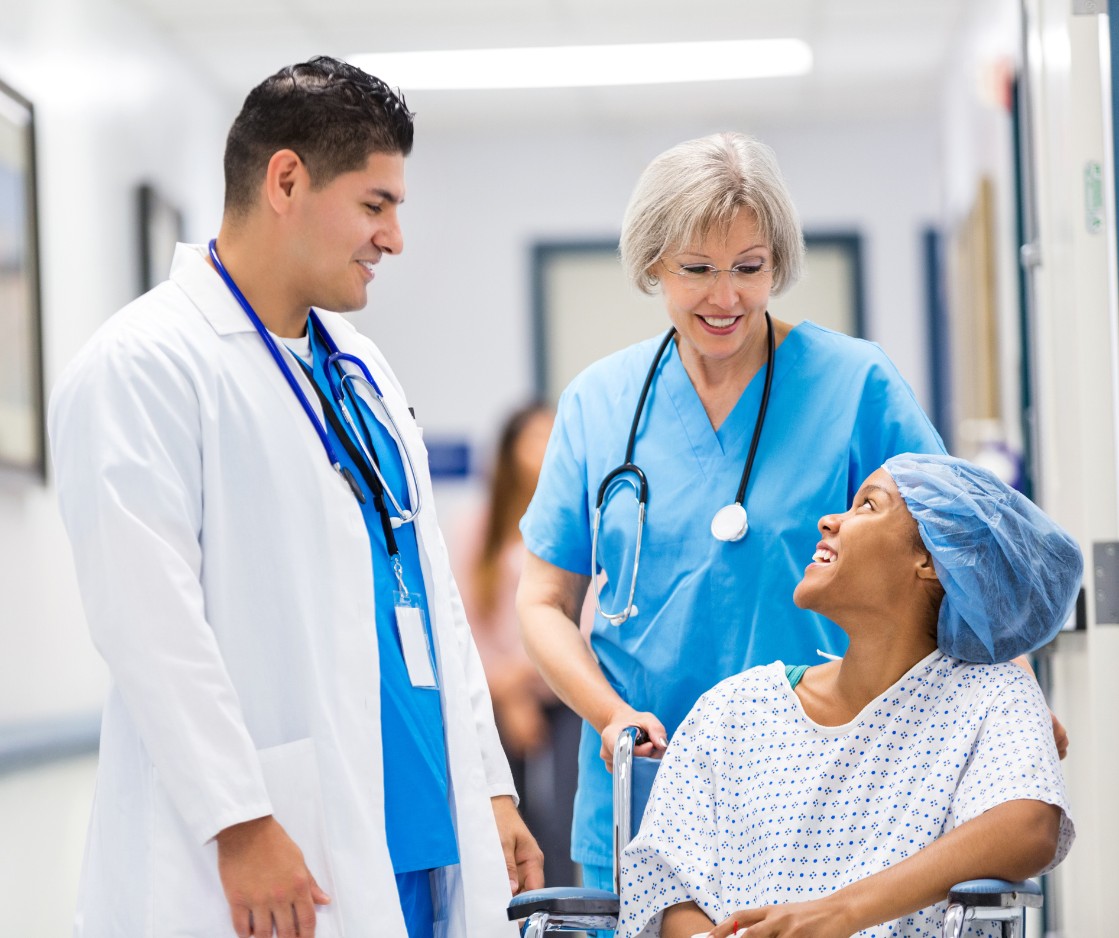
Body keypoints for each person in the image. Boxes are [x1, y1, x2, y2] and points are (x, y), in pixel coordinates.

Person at [49, 57, 541, 938]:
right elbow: (146, 620)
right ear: (286, 180)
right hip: (279, 839)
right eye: (374, 204)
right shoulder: (146, 364)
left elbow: (429, 594)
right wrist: (238, 819)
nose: (393, 238)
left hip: (424, 826)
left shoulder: (360, 367)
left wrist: (489, 785)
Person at [516, 132, 949, 895]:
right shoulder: (598, 403)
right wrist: (609, 715)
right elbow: (542, 600)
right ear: (652, 262)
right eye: (696, 270)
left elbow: (954, 549)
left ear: (776, 262)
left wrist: (1011, 696)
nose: (725, 298)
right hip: (641, 788)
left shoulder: (854, 384)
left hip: (820, 783)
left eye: (749, 269)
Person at [618, 454, 1080, 938]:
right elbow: (668, 889)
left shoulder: (991, 696)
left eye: (867, 506)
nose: (828, 520)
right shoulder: (732, 711)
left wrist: (837, 914)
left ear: (931, 559)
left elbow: (1029, 826)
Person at [452, 402, 582, 886]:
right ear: (510, 451)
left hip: (566, 688)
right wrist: (506, 691)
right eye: (535, 439)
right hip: (492, 694)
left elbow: (584, 617)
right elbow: (459, 617)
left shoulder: (577, 519)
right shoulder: (474, 524)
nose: (547, 450)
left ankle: (569, 913)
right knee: (506, 814)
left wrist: (532, 677)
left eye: (556, 437)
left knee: (566, 811)